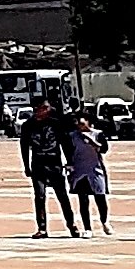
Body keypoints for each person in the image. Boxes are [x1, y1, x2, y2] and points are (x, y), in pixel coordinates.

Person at [19, 93, 83, 237]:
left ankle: (71, 224)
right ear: (38, 109)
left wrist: (70, 162)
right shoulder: (28, 126)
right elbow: (24, 146)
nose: (48, 110)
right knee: (40, 196)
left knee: (62, 195)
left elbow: (65, 143)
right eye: (45, 108)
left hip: (54, 163)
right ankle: (42, 228)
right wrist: (26, 166)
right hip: (38, 163)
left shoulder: (56, 123)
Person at [60, 96, 112, 234]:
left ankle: (104, 221)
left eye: (82, 123)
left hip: (95, 170)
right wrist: (69, 165)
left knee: (100, 198)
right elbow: (68, 151)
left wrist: (91, 140)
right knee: (83, 201)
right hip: (80, 170)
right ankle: (87, 228)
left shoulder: (98, 134)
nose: (80, 125)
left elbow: (104, 149)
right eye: (78, 123)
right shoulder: (72, 136)